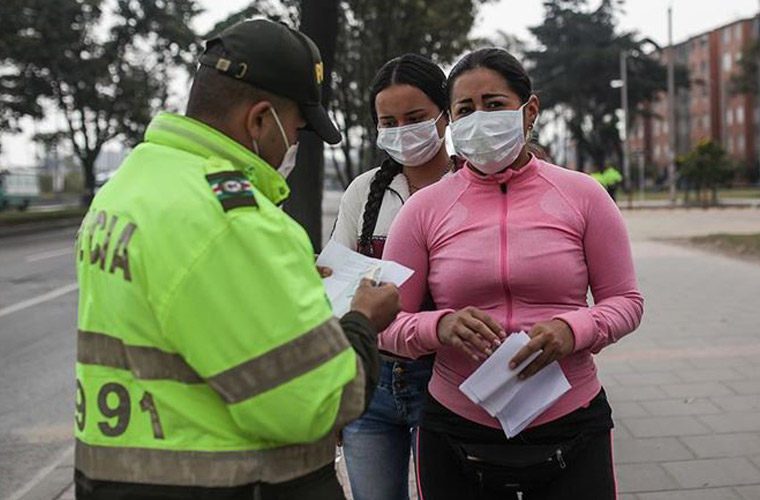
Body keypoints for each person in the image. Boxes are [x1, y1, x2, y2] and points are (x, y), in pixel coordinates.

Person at [73, 19, 399, 500]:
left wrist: (270, 282)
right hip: (230, 483)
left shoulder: (129, 185)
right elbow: (317, 401)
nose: (295, 142)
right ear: (260, 120)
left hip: (121, 474)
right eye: (298, 128)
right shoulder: (233, 219)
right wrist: (362, 322)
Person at [381, 47, 644, 499]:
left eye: (494, 104)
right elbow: (384, 321)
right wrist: (438, 325)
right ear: (452, 121)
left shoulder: (583, 195)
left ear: (530, 111)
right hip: (457, 428)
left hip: (570, 420)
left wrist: (573, 328)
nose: (480, 118)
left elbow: (626, 302)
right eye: (465, 109)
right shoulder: (423, 209)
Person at [329, 54, 453, 500]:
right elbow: (337, 289)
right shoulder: (364, 192)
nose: (403, 129)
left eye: (415, 117)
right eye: (389, 120)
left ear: (444, 115)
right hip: (371, 382)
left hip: (447, 378)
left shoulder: (469, 187)